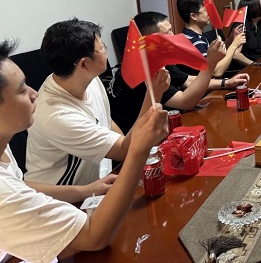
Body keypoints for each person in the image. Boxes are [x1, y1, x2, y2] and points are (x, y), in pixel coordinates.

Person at [0, 39, 168, 262]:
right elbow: (94, 237)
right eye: (22, 91)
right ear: (84, 64)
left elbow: (21, 184)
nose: (34, 94)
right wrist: (140, 149)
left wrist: (86, 190)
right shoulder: (56, 117)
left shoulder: (3, 143)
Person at [25, 18, 167, 187]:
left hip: (101, 178)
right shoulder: (57, 116)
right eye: (102, 48)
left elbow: (107, 121)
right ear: (84, 64)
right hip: (67, 195)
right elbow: (125, 150)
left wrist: (125, 144)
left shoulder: (82, 78)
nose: (106, 51)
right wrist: (154, 93)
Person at [109, 11, 249, 133]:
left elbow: (188, 80)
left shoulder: (156, 56)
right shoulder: (144, 68)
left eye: (171, 30)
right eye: (168, 33)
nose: (174, 35)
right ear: (149, 40)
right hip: (139, 141)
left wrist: (226, 83)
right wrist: (210, 63)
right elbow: (186, 101)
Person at [176, 0, 246, 76]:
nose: (209, 13)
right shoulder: (195, 42)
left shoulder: (194, 36)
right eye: (206, 10)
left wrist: (231, 39)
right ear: (193, 16)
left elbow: (216, 56)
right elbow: (216, 72)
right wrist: (234, 45)